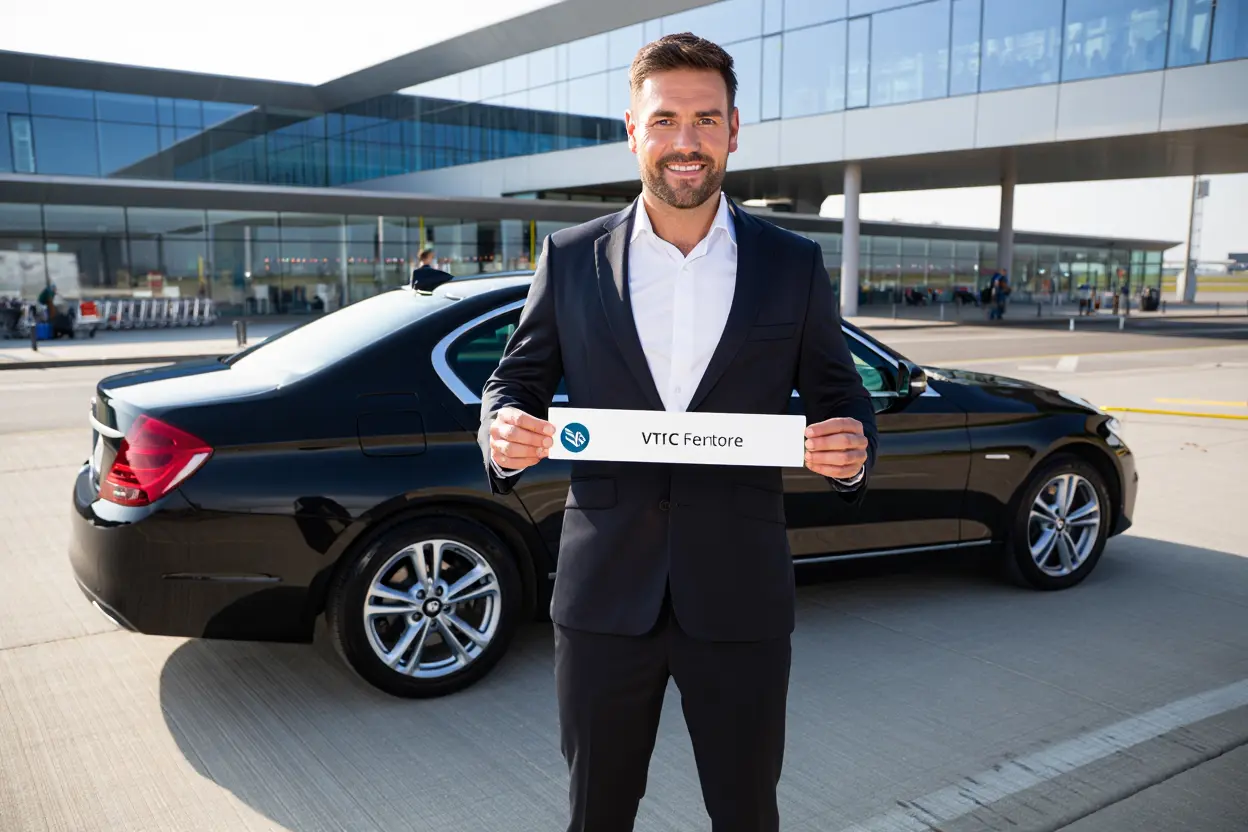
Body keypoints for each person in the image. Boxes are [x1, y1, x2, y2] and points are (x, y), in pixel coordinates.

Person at [477, 33, 878, 832]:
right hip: (602, 601)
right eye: (665, 120)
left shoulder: (791, 263)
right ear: (633, 130)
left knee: (745, 811)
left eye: (705, 119)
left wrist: (850, 449)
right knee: (597, 815)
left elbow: (841, 393)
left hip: (740, 598)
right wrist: (502, 430)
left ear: (734, 130)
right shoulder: (570, 257)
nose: (685, 142)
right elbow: (513, 382)